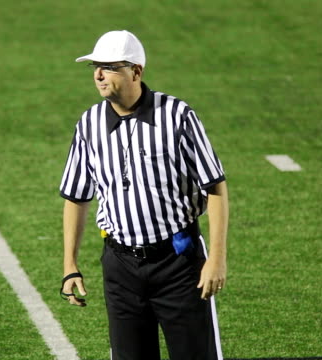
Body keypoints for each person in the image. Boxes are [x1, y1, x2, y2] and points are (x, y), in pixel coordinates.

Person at [59, 30, 229, 360]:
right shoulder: (89, 124)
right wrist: (70, 265)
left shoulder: (177, 116)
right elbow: (77, 197)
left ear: (136, 71)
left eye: (108, 67)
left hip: (178, 264)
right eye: (96, 66)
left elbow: (215, 187)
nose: (98, 74)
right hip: (120, 267)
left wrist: (217, 259)